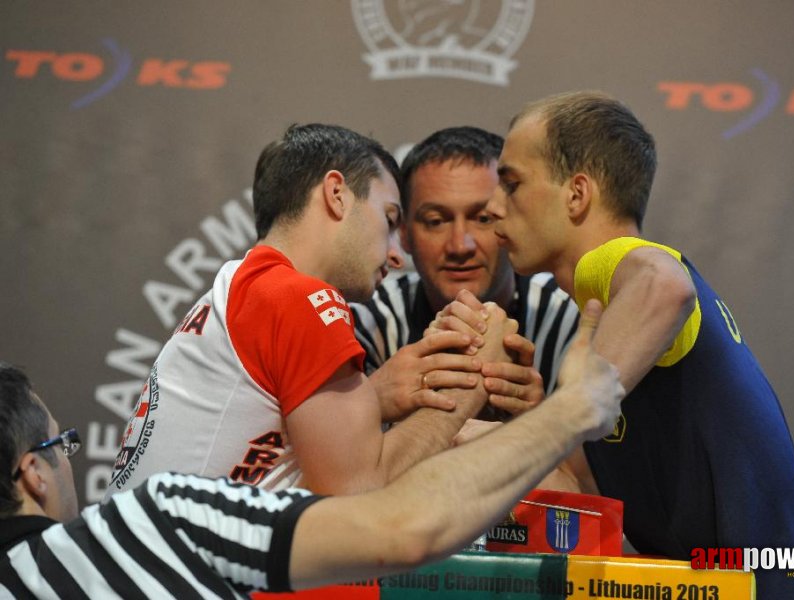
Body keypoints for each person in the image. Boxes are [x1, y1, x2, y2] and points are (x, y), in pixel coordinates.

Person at [0, 307, 625, 597]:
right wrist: (568, 409)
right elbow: (401, 527)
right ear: (33, 473)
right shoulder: (153, 523)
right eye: (62, 444)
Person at [482, 91, 794, 599]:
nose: (494, 208)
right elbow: (583, 494)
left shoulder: (620, 261)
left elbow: (666, 285)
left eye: (512, 184)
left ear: (577, 194)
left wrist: (555, 418)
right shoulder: (606, 323)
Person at [105, 123, 517, 499]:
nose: (396, 255)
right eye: (390, 220)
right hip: (167, 575)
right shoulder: (298, 297)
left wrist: (371, 397)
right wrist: (472, 381)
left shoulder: (245, 285)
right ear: (337, 194)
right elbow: (357, 492)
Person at [351, 126, 581, 422]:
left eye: (482, 219)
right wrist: (371, 402)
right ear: (404, 233)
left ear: (510, 221)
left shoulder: (569, 318)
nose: (460, 245)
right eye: (436, 221)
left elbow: (600, 464)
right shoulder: (370, 323)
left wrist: (543, 423)